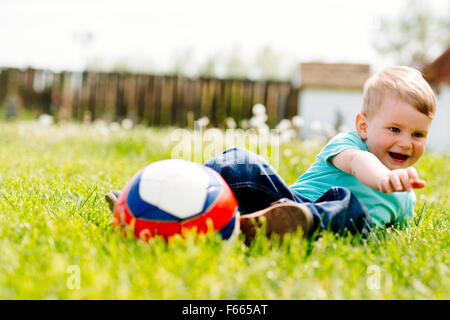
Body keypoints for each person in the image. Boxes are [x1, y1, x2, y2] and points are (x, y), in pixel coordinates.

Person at [106, 66, 436, 245]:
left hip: (323, 226)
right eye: (394, 130)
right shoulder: (349, 144)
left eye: (418, 134)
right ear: (363, 126)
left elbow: (390, 233)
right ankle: (179, 191)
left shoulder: (405, 197)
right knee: (242, 162)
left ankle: (279, 227)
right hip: (284, 201)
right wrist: (383, 178)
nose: (406, 143)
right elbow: (358, 164)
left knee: (351, 208)